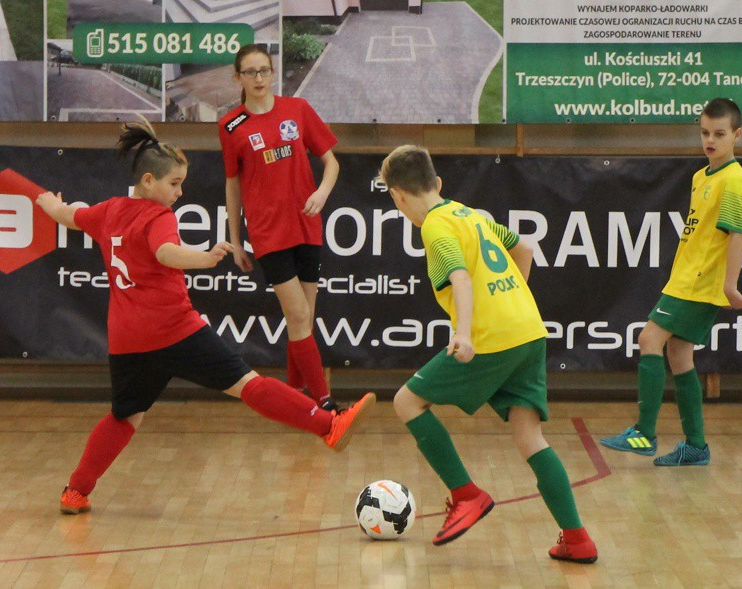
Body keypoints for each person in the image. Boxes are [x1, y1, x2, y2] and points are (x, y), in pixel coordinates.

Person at [36, 118, 375, 515]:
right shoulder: (159, 217)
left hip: (127, 340)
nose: (179, 193)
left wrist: (49, 204)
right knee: (248, 384)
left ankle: (75, 490)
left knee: (125, 416)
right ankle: (329, 425)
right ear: (148, 180)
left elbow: (68, 215)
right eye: (174, 183)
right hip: (174, 331)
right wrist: (205, 257)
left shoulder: (108, 211)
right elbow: (165, 253)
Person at [378, 145, 598, 563]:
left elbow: (460, 277)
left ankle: (467, 495)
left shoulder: (435, 227)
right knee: (529, 437)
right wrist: (511, 302)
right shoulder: (470, 214)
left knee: (407, 401)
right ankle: (577, 538)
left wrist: (463, 334)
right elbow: (524, 249)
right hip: (529, 330)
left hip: (491, 337)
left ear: (398, 196)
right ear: (437, 183)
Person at [600, 98, 742, 466]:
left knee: (648, 338)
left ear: (737, 135)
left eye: (719, 134)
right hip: (685, 279)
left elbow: (736, 234)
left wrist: (730, 285)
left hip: (699, 282)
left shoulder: (733, 180)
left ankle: (644, 433)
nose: (710, 140)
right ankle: (696, 446)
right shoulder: (702, 177)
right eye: (705, 133)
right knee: (679, 354)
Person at [218, 44, 340, 411]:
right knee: (299, 317)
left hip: (307, 225)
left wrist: (321, 192)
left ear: (273, 73)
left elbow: (332, 163)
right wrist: (236, 240)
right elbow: (232, 183)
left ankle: (294, 398)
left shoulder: (297, 109)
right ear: (238, 78)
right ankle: (325, 405)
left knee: (303, 320)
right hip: (269, 234)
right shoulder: (231, 125)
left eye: (264, 70)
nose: (258, 78)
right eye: (250, 72)